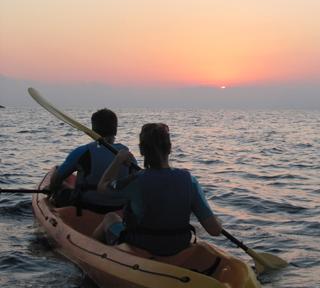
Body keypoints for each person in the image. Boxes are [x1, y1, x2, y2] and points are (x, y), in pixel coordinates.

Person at [93, 123, 223, 256]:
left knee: (110, 217)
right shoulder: (189, 180)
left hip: (142, 245)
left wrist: (118, 160)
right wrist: (216, 220)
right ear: (170, 148)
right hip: (178, 246)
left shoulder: (135, 181)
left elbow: (102, 187)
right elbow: (214, 230)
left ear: (142, 150)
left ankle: (92, 255)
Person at [49, 108, 136, 213]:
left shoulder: (82, 152)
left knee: (59, 187)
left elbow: (57, 179)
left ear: (93, 130)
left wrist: (51, 188)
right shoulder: (128, 155)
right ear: (115, 130)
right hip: (119, 206)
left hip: (88, 205)